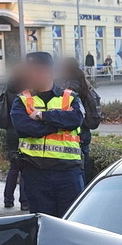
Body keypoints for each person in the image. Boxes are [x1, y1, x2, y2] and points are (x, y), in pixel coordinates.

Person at [9, 51, 85, 217]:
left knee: (70, 223)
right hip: (36, 173)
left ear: (48, 72)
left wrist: (42, 116)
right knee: (42, 225)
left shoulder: (70, 97)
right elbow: (25, 128)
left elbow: (75, 119)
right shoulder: (21, 100)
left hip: (68, 173)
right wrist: (58, 126)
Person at [59, 57, 103, 186]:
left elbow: (67, 110)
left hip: (78, 130)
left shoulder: (70, 86)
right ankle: (88, 188)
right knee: (85, 159)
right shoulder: (83, 81)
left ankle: (83, 191)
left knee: (80, 163)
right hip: (85, 128)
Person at [0, 64, 28, 210]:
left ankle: (8, 199)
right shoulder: (26, 91)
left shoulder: (8, 88)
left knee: (14, 166)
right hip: (22, 130)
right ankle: (24, 202)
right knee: (25, 166)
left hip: (10, 131)